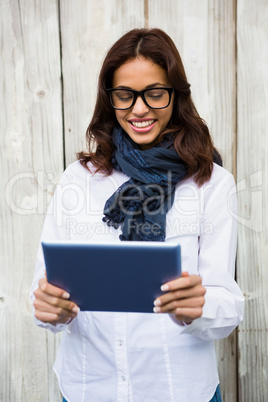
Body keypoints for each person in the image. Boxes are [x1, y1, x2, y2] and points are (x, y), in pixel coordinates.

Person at [31, 28, 244, 402]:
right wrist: (49, 307)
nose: (139, 109)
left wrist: (201, 305)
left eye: (155, 94)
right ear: (109, 99)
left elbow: (226, 303)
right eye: (125, 95)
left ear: (176, 96)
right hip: (87, 387)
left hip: (179, 390)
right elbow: (44, 288)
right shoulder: (78, 180)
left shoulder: (212, 184)